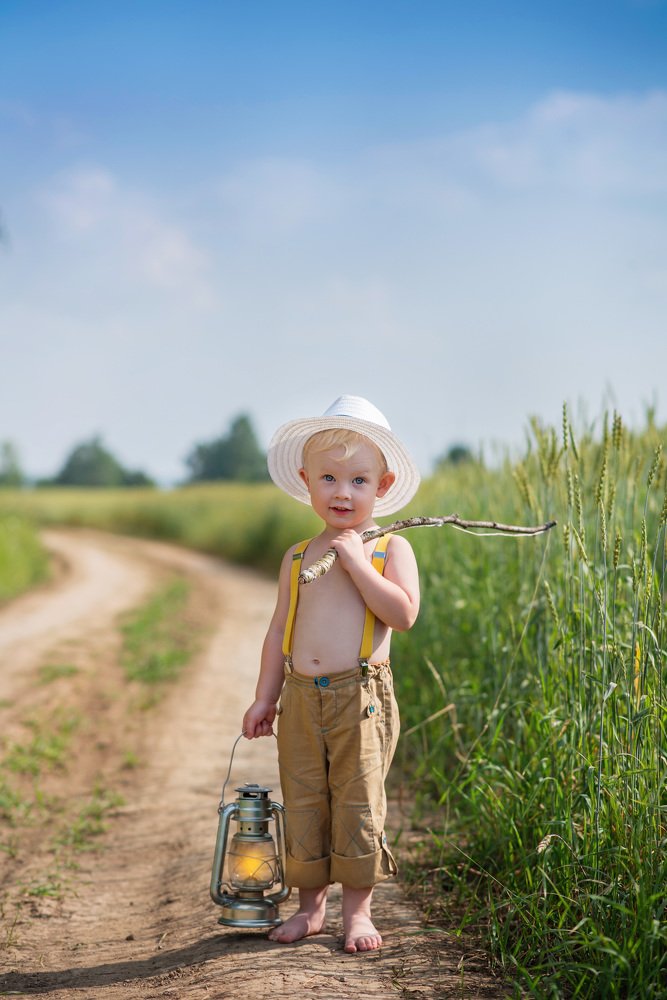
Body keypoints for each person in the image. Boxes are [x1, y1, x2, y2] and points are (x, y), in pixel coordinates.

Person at [242, 395, 421, 953]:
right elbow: (279, 632)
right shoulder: (298, 557)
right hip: (300, 697)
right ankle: (309, 908)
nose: (343, 493)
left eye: (358, 481)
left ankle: (358, 913)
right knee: (303, 799)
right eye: (329, 478)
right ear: (307, 481)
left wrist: (355, 562)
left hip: (359, 698)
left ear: (382, 486)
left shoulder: (389, 547)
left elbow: (404, 614)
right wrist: (263, 697)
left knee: (357, 800)